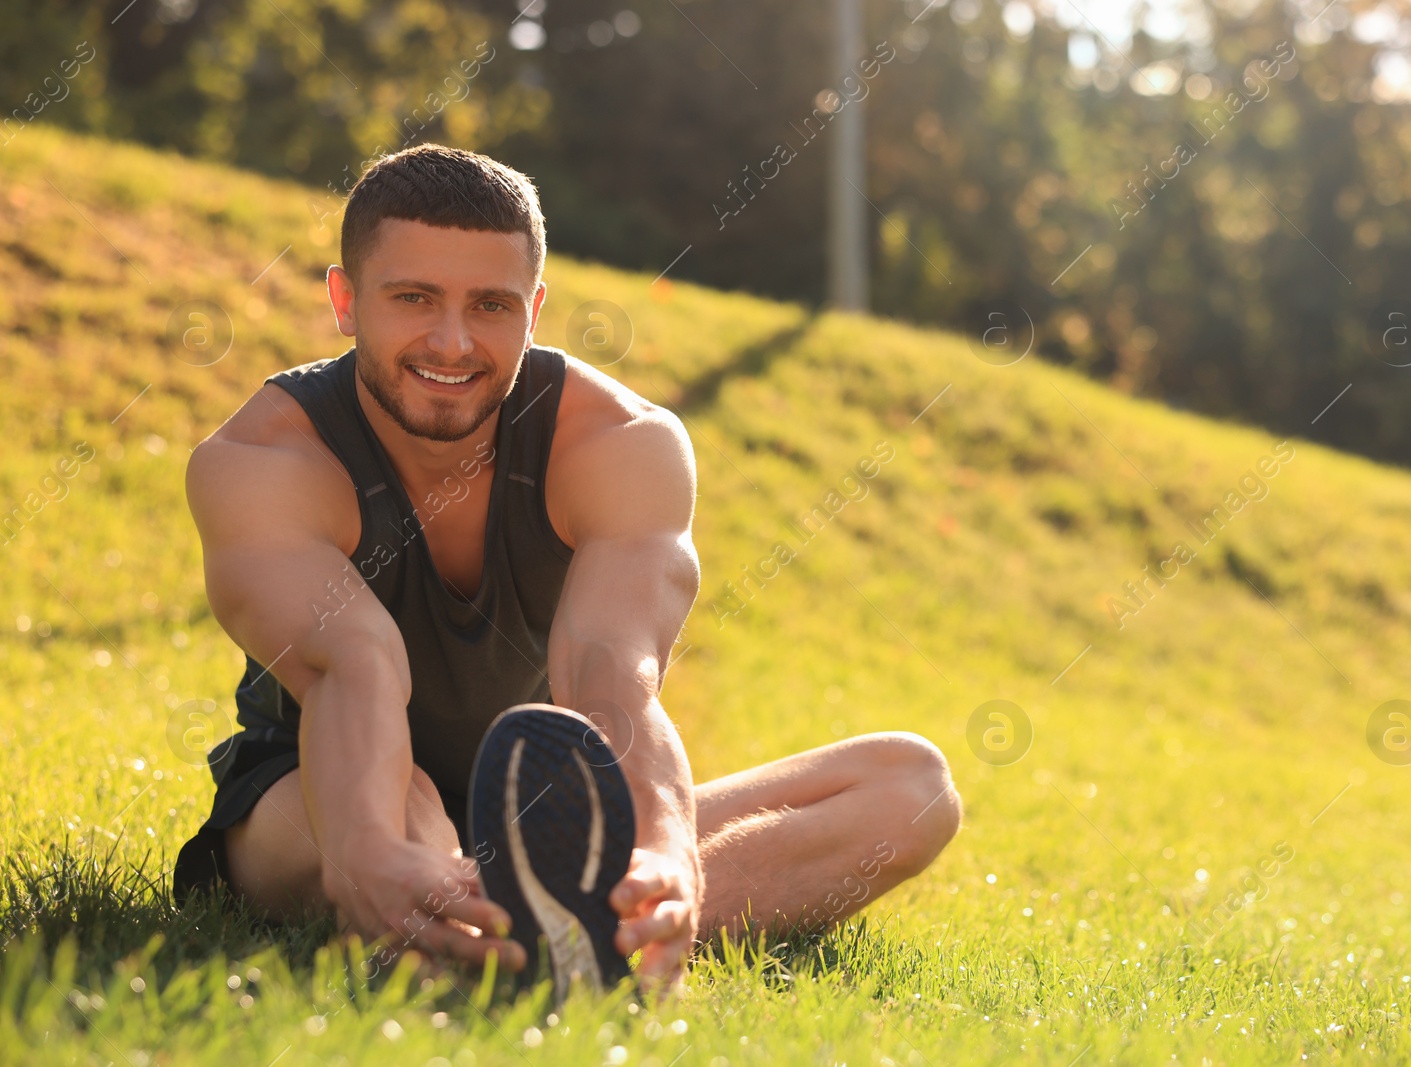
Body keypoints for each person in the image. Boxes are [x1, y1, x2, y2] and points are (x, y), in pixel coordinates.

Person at [172, 143, 963, 996]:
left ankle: (571, 929)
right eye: (413, 299)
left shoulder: (621, 443)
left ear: (535, 308)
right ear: (344, 299)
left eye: (490, 305)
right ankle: (494, 922)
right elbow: (350, 667)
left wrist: (665, 852)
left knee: (912, 784)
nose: (453, 340)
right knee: (410, 808)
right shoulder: (264, 458)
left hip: (538, 811)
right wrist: (369, 854)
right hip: (318, 798)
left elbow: (609, 678)